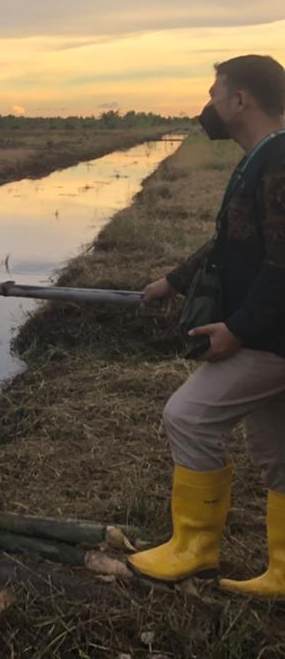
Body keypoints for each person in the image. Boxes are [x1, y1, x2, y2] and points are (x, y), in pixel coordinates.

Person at [129, 55, 285, 598]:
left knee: (188, 417)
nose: (209, 104)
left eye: (216, 92)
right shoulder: (262, 157)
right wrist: (174, 280)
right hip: (268, 333)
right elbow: (232, 241)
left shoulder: (279, 159)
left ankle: (194, 549)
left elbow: (282, 261)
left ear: (241, 100)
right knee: (276, 450)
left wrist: (237, 329)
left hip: (270, 338)